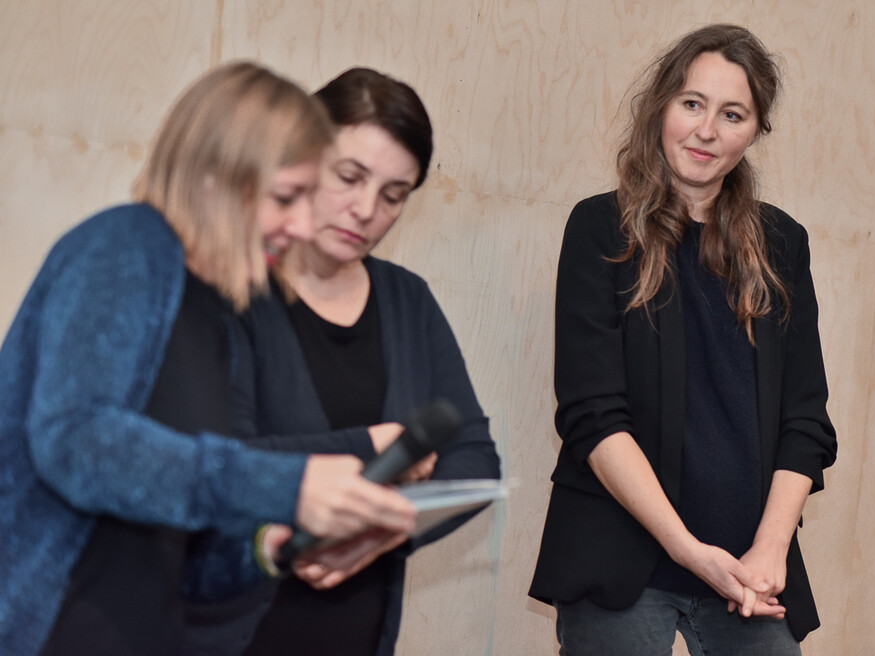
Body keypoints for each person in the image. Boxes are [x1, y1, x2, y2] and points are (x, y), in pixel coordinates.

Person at [0, 61, 416, 656]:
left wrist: (268, 547)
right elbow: (77, 441)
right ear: (215, 180)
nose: (302, 225)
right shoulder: (124, 244)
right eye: (286, 198)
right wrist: (287, 483)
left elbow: (184, 556)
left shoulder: (223, 316)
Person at [529, 24, 837, 655]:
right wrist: (687, 549)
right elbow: (592, 415)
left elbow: (805, 421)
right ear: (661, 106)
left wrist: (770, 549)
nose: (707, 131)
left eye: (732, 114)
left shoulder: (782, 244)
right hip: (621, 559)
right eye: (692, 104)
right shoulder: (599, 227)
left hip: (748, 571)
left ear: (755, 131)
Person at [204, 66, 500, 656]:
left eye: (394, 195)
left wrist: (381, 534)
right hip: (230, 629)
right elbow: (212, 460)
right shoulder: (229, 291)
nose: (366, 209)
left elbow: (474, 461)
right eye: (349, 177)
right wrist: (375, 449)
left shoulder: (407, 300)